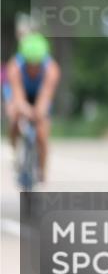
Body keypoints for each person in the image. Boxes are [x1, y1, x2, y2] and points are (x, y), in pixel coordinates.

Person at [4, 33, 61, 184]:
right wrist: (23, 110)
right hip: (21, 93)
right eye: (30, 64)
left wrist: (38, 112)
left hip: (40, 95)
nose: (33, 68)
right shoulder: (14, 67)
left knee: (42, 133)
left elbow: (45, 96)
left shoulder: (52, 69)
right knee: (14, 117)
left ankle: (42, 171)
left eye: (37, 64)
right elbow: (18, 97)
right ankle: (14, 149)